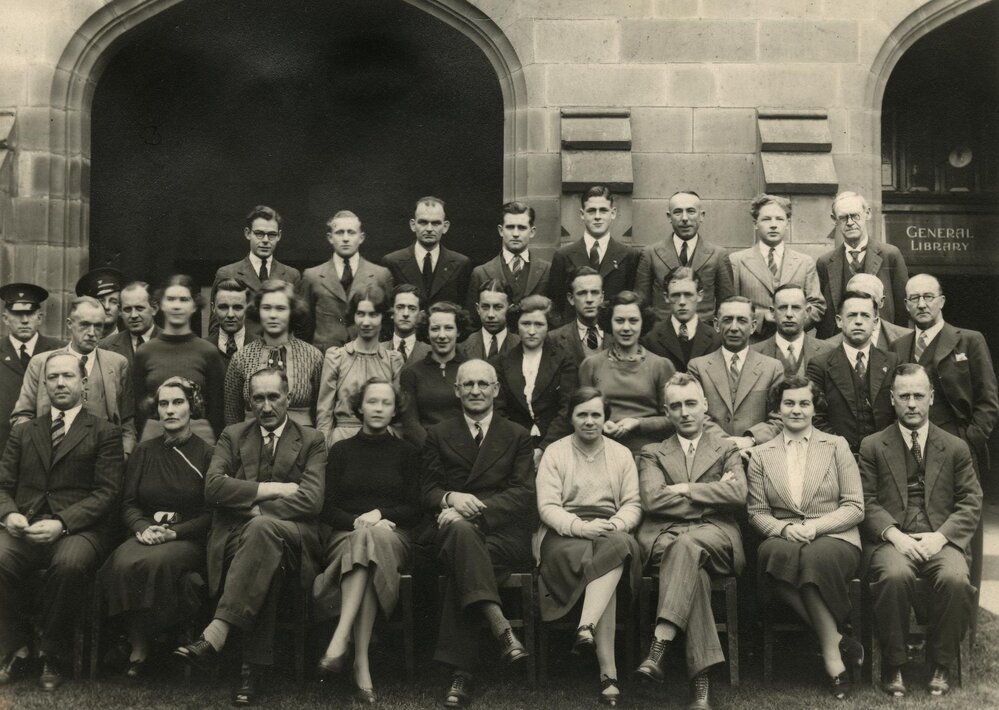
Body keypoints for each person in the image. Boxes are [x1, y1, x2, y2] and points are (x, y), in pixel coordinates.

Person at [173, 368, 326, 706]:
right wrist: (270, 489)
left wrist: (255, 511)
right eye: (258, 398)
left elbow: (311, 499)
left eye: (274, 397)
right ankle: (250, 670)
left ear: (289, 398)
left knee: (261, 534)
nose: (266, 406)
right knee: (262, 553)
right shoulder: (233, 434)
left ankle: (218, 635)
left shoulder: (312, 440)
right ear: (248, 401)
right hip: (236, 542)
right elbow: (212, 488)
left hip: (294, 542)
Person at [0, 351, 124, 690]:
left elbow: (107, 493)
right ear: (43, 384)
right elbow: (2, 484)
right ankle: (17, 645)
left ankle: (50, 654)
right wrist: (9, 513)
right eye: (52, 377)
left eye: (67, 376)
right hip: (26, 526)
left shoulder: (104, 432)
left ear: (83, 384)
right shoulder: (25, 432)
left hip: (78, 530)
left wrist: (63, 523)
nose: (59, 383)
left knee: (68, 565)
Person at [860, 364, 982, 697]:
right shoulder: (872, 446)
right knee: (894, 576)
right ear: (892, 399)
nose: (911, 404)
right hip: (892, 540)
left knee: (955, 578)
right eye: (904, 396)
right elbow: (866, 501)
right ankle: (894, 664)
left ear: (930, 398)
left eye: (918, 395)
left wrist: (941, 537)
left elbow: (971, 501)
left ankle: (941, 663)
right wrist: (896, 536)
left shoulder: (955, 447)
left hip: (940, 539)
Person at [420, 359, 535, 708]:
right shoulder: (438, 433)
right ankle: (502, 630)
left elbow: (523, 494)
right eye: (468, 384)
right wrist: (449, 497)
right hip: (449, 529)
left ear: (496, 389)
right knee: (460, 536)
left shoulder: (516, 435)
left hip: (501, 533)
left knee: (463, 550)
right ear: (456, 391)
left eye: (483, 384)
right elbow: (425, 490)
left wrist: (473, 510)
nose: (475, 391)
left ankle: (461, 673)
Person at [746, 376, 865, 699]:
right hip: (785, 534)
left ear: (815, 408)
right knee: (773, 555)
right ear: (778, 409)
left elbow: (855, 507)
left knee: (812, 557)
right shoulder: (761, 454)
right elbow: (756, 511)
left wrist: (815, 528)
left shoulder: (836, 445)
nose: (796, 410)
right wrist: (784, 529)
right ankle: (837, 641)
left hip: (835, 535)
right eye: (789, 403)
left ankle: (831, 657)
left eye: (803, 403)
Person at [634, 373, 747, 710]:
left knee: (686, 548)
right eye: (676, 406)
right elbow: (653, 501)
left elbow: (738, 492)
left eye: (691, 404)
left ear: (705, 406)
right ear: (666, 411)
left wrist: (683, 489)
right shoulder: (651, 452)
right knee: (690, 564)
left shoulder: (726, 448)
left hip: (717, 539)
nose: (684, 412)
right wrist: (714, 494)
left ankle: (659, 647)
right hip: (667, 539)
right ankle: (701, 686)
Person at [313, 377, 420, 703]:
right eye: (372, 401)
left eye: (386, 403)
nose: (378, 408)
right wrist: (358, 522)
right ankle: (361, 665)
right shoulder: (341, 451)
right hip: (345, 536)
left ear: (394, 410)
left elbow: (415, 509)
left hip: (392, 534)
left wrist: (378, 514)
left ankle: (340, 638)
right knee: (364, 542)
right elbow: (327, 508)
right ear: (359, 407)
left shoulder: (407, 452)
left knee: (371, 540)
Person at [97, 377, 213, 677]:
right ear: (156, 410)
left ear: (192, 407)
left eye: (178, 402)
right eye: (164, 404)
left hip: (186, 538)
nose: (170, 410)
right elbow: (129, 502)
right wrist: (142, 528)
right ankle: (138, 640)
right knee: (123, 560)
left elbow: (212, 513)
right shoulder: (144, 451)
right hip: (147, 533)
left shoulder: (208, 454)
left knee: (153, 563)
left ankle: (147, 643)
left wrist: (176, 532)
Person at [535, 387, 642, 707]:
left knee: (615, 549)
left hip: (610, 532)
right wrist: (581, 527)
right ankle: (608, 673)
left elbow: (633, 504)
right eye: (582, 414)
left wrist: (615, 524)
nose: (590, 421)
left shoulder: (621, 454)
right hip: (563, 534)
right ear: (571, 417)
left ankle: (586, 627)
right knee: (607, 564)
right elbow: (548, 507)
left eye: (596, 414)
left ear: (605, 417)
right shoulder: (555, 452)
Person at [890, 273, 998, 479]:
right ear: (906, 304)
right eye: (914, 298)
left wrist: (969, 441)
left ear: (942, 301)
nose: (921, 304)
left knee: (960, 506)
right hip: (910, 449)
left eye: (928, 297)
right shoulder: (898, 346)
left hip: (957, 445)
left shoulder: (970, 340)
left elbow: (988, 400)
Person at [12, 296, 136, 457]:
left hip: (102, 460)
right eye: (84, 325)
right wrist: (36, 451)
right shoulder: (41, 363)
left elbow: (127, 422)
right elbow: (22, 416)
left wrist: (124, 455)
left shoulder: (117, 363)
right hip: (51, 458)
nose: (91, 333)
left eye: (98, 326)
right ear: (70, 324)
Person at [132, 275, 225, 443]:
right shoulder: (145, 352)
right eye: (171, 299)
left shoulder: (208, 352)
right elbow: (137, 410)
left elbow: (217, 412)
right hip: (154, 442)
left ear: (194, 306)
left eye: (184, 299)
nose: (177, 305)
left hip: (199, 442)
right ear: (161, 304)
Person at [579, 291, 674, 454]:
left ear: (643, 323)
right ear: (610, 322)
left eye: (633, 321)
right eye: (619, 321)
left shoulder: (661, 365)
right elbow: (580, 413)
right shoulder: (591, 365)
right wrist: (601, 423)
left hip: (648, 453)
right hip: (601, 450)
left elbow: (673, 418)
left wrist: (638, 423)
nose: (626, 328)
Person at [687, 297, 784, 453]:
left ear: (753, 326)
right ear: (716, 325)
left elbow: (780, 417)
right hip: (711, 454)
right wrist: (727, 442)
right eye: (727, 320)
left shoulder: (772, 368)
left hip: (758, 455)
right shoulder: (698, 367)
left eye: (741, 321)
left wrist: (750, 440)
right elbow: (694, 412)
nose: (734, 327)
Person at [807, 290, 898, 454]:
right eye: (851, 315)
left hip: (885, 455)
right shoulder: (820, 366)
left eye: (865, 315)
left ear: (876, 322)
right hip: (836, 456)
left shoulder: (893, 363)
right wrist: (841, 450)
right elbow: (815, 417)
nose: (858, 321)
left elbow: (899, 411)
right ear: (839, 321)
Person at [224, 280, 323, 427]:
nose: (273, 315)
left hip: (302, 442)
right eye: (266, 308)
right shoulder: (241, 357)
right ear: (258, 310)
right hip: (253, 442)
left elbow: (321, 411)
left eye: (281, 309)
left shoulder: (312, 356)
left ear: (292, 311)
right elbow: (232, 415)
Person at [726, 195, 825, 340]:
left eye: (779, 219)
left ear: (787, 223)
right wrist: (761, 318)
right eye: (766, 219)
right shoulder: (737, 261)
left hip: (793, 344)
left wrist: (793, 324)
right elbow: (730, 306)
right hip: (753, 344)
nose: (773, 225)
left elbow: (817, 306)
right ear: (755, 223)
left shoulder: (804, 262)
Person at [315, 285, 404, 446]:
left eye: (373, 314)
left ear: (383, 317)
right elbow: (324, 412)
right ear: (353, 316)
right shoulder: (337, 357)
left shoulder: (393, 359)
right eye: (360, 314)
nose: (366, 322)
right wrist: (323, 451)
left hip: (382, 441)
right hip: (343, 438)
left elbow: (397, 416)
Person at [298, 210, 394, 354]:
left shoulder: (380, 275)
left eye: (351, 232)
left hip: (367, 355)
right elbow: (304, 325)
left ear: (361, 237)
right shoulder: (312, 276)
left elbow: (388, 322)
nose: (345, 238)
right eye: (340, 232)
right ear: (330, 237)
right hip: (324, 357)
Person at [494, 296, 577, 461]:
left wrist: (544, 448)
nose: (531, 331)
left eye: (539, 324)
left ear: (548, 327)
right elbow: (499, 410)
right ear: (516, 326)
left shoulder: (564, 359)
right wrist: (519, 447)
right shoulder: (502, 362)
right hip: (514, 445)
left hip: (555, 444)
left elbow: (567, 408)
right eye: (526, 324)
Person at [816, 191, 909, 339]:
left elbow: (902, 310)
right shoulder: (825, 262)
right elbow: (823, 314)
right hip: (838, 345)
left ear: (867, 213)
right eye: (843, 218)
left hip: (881, 343)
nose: (850, 222)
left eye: (855, 215)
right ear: (834, 219)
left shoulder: (890, 255)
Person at [634, 190, 734, 324]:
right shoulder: (650, 254)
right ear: (669, 217)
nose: (685, 218)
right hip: (661, 337)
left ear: (701, 215)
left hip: (704, 338)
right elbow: (642, 303)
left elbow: (726, 305)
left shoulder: (718, 255)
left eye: (691, 211)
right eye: (678, 212)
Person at [548, 186, 639, 325]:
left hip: (613, 335)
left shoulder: (629, 255)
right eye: (591, 211)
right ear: (582, 214)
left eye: (603, 210)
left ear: (613, 213)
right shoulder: (563, 256)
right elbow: (556, 306)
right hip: (574, 337)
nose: (597, 216)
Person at [211, 205, 302, 339]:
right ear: (248, 233)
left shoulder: (291, 275)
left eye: (271, 235)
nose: (265, 240)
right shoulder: (227, 273)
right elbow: (215, 328)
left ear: (279, 236)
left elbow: (298, 326)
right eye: (259, 234)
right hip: (241, 354)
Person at [0, 284, 62, 451]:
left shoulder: (60, 351)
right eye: (18, 314)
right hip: (3, 447)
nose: (25, 320)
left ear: (40, 317)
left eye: (30, 313)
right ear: (5, 318)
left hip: (49, 447)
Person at [398, 302, 469, 447]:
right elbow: (410, 424)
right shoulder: (411, 374)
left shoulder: (471, 370)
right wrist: (434, 451)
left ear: (459, 331)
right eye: (435, 329)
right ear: (427, 332)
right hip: (426, 454)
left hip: (464, 452)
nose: (442, 335)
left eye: (448, 328)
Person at [383, 196, 472, 307]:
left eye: (436, 223)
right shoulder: (392, 262)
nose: (429, 229)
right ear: (413, 225)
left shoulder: (461, 264)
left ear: (445, 227)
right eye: (423, 222)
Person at [467, 201, 551, 312]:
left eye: (521, 228)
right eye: (510, 227)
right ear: (501, 231)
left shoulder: (547, 270)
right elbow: (472, 320)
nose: (515, 234)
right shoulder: (480, 273)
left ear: (532, 232)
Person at [641, 267, 722, 372]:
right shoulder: (650, 339)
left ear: (700, 295)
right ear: (666, 297)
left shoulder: (716, 340)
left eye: (688, 294)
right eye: (676, 295)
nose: (682, 302)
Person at [751, 284, 832, 378]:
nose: (789, 314)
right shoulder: (753, 354)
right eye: (783, 307)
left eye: (796, 307)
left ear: (807, 311)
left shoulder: (829, 352)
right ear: (773, 312)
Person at [821, 273, 911, 350]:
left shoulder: (907, 338)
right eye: (854, 297)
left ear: (882, 301)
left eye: (868, 298)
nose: (861, 304)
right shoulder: (828, 346)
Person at [547, 267, 607, 368]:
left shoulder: (616, 334)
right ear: (571, 298)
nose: (589, 299)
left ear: (602, 297)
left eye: (595, 292)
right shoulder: (554, 339)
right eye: (582, 293)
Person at [99, 281, 159, 367]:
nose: (133, 315)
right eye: (127, 309)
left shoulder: (172, 343)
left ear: (154, 309)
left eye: (139, 308)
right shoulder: (104, 347)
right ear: (120, 312)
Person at [459, 279, 520, 361]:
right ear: (477, 309)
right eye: (485, 307)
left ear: (509, 309)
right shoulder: (462, 348)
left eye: (498, 307)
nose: (490, 314)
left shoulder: (521, 346)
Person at [380, 284, 430, 365]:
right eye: (400, 307)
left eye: (412, 309)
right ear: (392, 313)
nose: (405, 314)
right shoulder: (376, 351)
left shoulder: (429, 353)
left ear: (420, 315)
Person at [209, 278, 250, 368]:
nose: (230, 315)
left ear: (247, 309)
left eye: (237, 307)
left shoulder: (263, 347)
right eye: (223, 307)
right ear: (213, 308)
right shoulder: (203, 349)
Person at [76, 267, 124, 338]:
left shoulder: (130, 346)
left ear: (121, 310)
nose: (107, 307)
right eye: (101, 301)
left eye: (113, 302)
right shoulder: (79, 345)